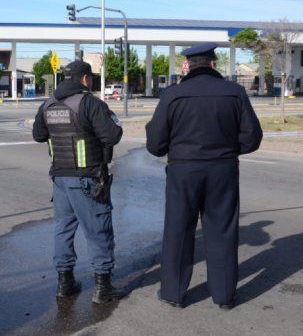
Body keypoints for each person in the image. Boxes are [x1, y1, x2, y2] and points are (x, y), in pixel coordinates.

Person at [145, 43, 263, 310]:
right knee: (222, 230)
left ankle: (173, 293)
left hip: (183, 171)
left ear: (187, 65)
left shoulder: (172, 95)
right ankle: (224, 296)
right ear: (213, 64)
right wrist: (227, 151)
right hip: (222, 170)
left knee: (178, 230)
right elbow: (252, 138)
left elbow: (155, 145)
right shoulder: (235, 93)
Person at [32, 61, 123, 304]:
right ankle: (103, 288)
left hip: (60, 179)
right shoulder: (90, 103)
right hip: (87, 179)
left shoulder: (48, 104)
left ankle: (65, 283)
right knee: (98, 230)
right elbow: (113, 135)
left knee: (63, 229)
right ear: (85, 79)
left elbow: (38, 135)